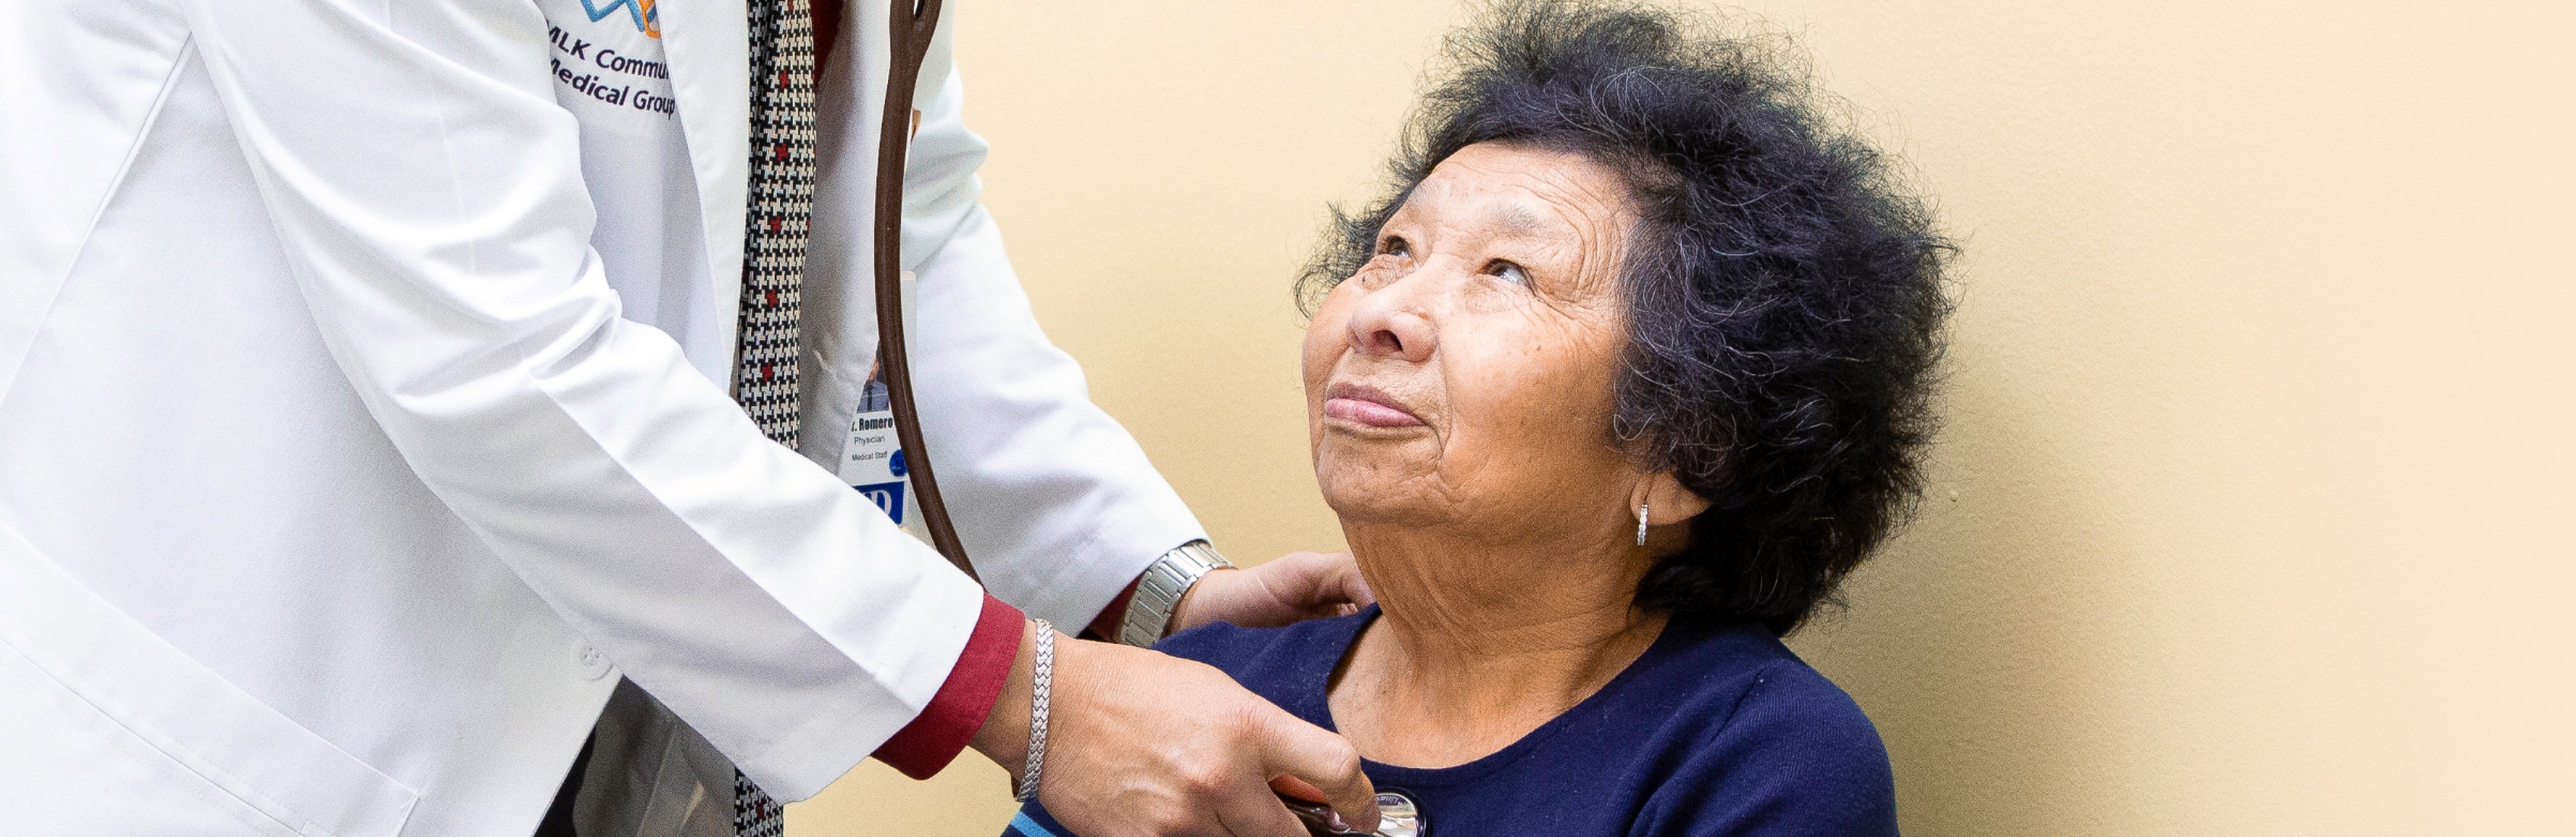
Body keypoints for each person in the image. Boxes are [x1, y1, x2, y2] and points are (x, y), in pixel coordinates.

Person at [0, 0, 1381, 835]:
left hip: (600, 724)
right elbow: (496, 348)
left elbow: (899, 230)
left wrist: (1134, 593)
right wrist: (1022, 693)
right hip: (247, 717)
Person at [1008, 3, 1949, 834]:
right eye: (1393, 248)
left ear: (1682, 450)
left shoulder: (1762, 763)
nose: (1380, 313)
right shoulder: (1193, 698)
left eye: (1507, 271)